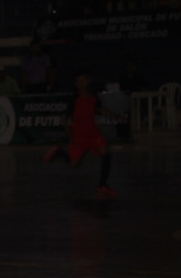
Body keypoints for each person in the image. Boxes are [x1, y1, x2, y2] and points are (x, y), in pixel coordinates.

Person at [43, 71, 124, 199]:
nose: (83, 83)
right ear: (76, 84)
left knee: (105, 152)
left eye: (84, 80)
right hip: (80, 135)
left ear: (89, 80)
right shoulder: (75, 98)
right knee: (74, 164)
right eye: (79, 81)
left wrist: (116, 116)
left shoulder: (93, 96)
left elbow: (100, 109)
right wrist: (70, 135)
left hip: (93, 132)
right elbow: (65, 118)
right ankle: (58, 152)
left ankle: (102, 185)